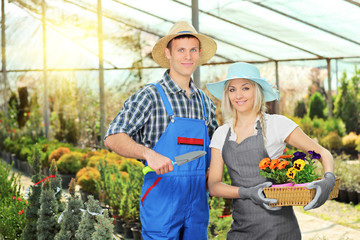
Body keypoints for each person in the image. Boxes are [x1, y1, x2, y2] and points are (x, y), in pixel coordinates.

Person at [104, 21, 218, 240]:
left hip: (197, 202)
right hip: (162, 198)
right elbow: (113, 136)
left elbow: (214, 145)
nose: (188, 56)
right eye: (181, 50)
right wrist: (149, 154)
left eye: (193, 50)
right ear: (168, 53)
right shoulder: (150, 96)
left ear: (199, 53)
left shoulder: (204, 102)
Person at [206, 62, 335, 240]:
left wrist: (328, 179)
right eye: (232, 89)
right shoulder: (221, 133)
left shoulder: (277, 124)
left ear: (257, 91)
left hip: (279, 229)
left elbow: (322, 152)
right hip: (241, 229)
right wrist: (246, 192)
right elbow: (213, 186)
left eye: (245, 88)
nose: (238, 95)